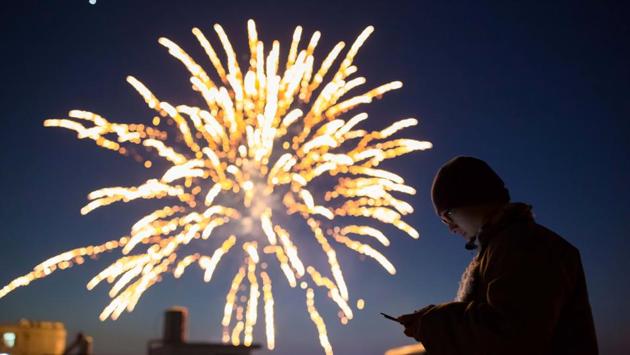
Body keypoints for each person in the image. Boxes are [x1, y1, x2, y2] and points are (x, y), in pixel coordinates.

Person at [397, 156, 598, 355]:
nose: (450, 227)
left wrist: (433, 322)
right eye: (443, 221)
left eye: (448, 214)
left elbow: (512, 337)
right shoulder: (501, 249)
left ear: (472, 196)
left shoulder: (526, 245)